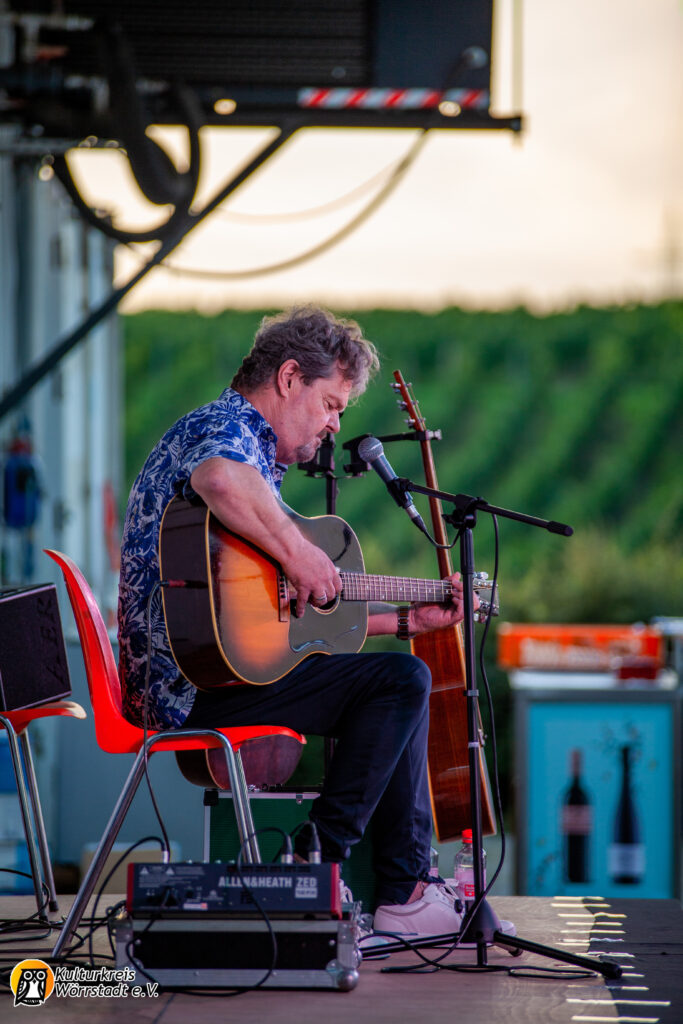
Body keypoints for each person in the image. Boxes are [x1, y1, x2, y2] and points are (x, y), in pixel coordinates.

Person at [118, 305, 470, 937]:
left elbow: (278, 623)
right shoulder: (224, 430)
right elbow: (222, 480)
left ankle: (403, 884)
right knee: (398, 686)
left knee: (394, 679)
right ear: (288, 379)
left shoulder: (252, 458)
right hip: (192, 687)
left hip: (212, 677)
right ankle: (325, 869)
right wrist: (302, 550)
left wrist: (407, 621)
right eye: (332, 404)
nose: (334, 427)